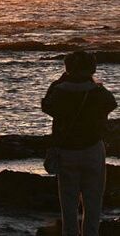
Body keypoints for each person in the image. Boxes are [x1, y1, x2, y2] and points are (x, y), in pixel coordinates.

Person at [43, 50, 117, 236]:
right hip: (92, 149)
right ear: (91, 69)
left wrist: (59, 82)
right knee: (93, 205)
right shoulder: (98, 92)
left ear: (68, 69)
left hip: (67, 152)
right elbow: (111, 103)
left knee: (68, 205)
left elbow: (47, 105)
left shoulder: (59, 91)